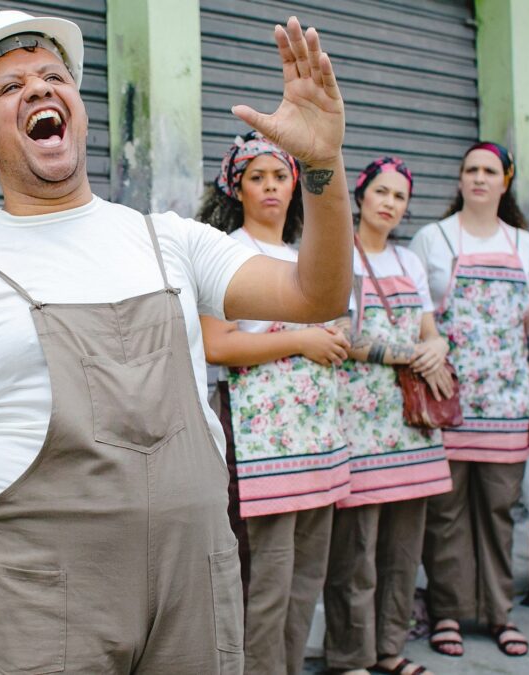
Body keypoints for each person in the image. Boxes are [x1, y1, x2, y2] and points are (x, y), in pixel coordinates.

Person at [0, 9, 353, 673]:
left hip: (196, 576)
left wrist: (322, 168)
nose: (40, 89)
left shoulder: (171, 241)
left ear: (77, 106)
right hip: (48, 600)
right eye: (10, 87)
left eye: (53, 76)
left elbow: (318, 296)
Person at [197, 131, 351, 675]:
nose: (269, 187)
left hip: (316, 438)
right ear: (235, 188)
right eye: (256, 177)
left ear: (295, 184)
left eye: (279, 176)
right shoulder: (225, 252)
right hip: (259, 441)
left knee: (306, 574)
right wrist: (302, 339)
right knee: (266, 577)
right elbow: (217, 345)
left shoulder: (303, 256)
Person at [410, 142, 529, 658]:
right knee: (444, 514)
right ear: (460, 178)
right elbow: (416, 316)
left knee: (497, 510)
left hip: (508, 402)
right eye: (470, 169)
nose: (479, 178)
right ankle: (448, 613)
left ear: (505, 180)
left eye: (489, 170)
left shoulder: (524, 246)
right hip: (447, 402)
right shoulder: (434, 238)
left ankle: (499, 614)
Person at [322, 157, 452, 675]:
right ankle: (350, 657)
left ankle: (391, 650)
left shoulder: (409, 263)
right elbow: (339, 334)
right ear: (360, 195)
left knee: (403, 550)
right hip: (359, 421)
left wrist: (437, 346)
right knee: (356, 552)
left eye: (399, 196)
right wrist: (406, 353)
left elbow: (428, 328)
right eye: (381, 191)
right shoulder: (337, 254)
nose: (389, 203)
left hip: (411, 423)